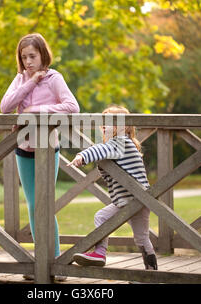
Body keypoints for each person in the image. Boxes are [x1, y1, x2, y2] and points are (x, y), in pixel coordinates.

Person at [0, 33, 79, 279]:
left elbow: (72, 107)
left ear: (42, 54)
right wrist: (31, 81)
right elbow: (5, 107)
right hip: (23, 150)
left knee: (44, 206)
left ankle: (55, 262)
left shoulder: (55, 78)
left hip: (48, 150)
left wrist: (37, 109)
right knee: (34, 206)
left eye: (32, 56)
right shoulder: (20, 79)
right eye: (24, 58)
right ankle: (40, 263)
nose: (28, 62)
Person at [67, 105, 157, 271]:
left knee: (102, 217)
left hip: (132, 199)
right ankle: (151, 273)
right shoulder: (122, 143)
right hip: (134, 200)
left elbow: (101, 149)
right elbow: (105, 150)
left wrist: (82, 155)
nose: (103, 125)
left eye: (108, 122)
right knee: (142, 237)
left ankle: (100, 253)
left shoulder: (120, 142)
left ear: (121, 127)